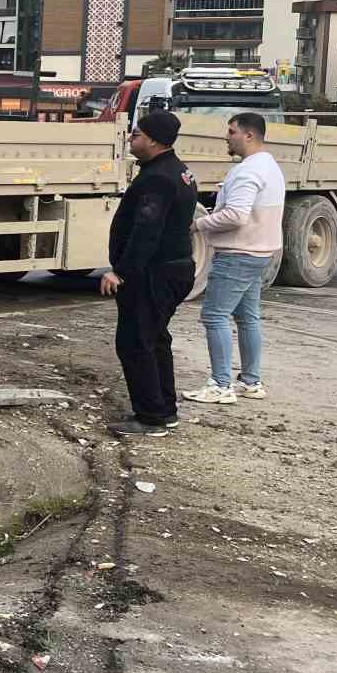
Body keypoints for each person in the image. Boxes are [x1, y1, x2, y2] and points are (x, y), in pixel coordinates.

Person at [101, 109, 199, 437]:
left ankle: (151, 417)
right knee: (155, 339)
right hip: (173, 269)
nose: (131, 138)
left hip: (155, 274)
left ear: (154, 141)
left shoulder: (157, 177)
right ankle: (164, 410)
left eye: (137, 134)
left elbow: (147, 231)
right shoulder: (179, 171)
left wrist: (121, 272)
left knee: (135, 342)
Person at [183, 112, 285, 405]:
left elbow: (237, 215)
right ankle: (251, 381)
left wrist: (198, 224)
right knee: (247, 317)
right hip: (259, 252)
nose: (226, 137)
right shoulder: (270, 166)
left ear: (248, 135)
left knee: (214, 316)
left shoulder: (247, 171)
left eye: (231, 131)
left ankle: (220, 384)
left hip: (238, 253)